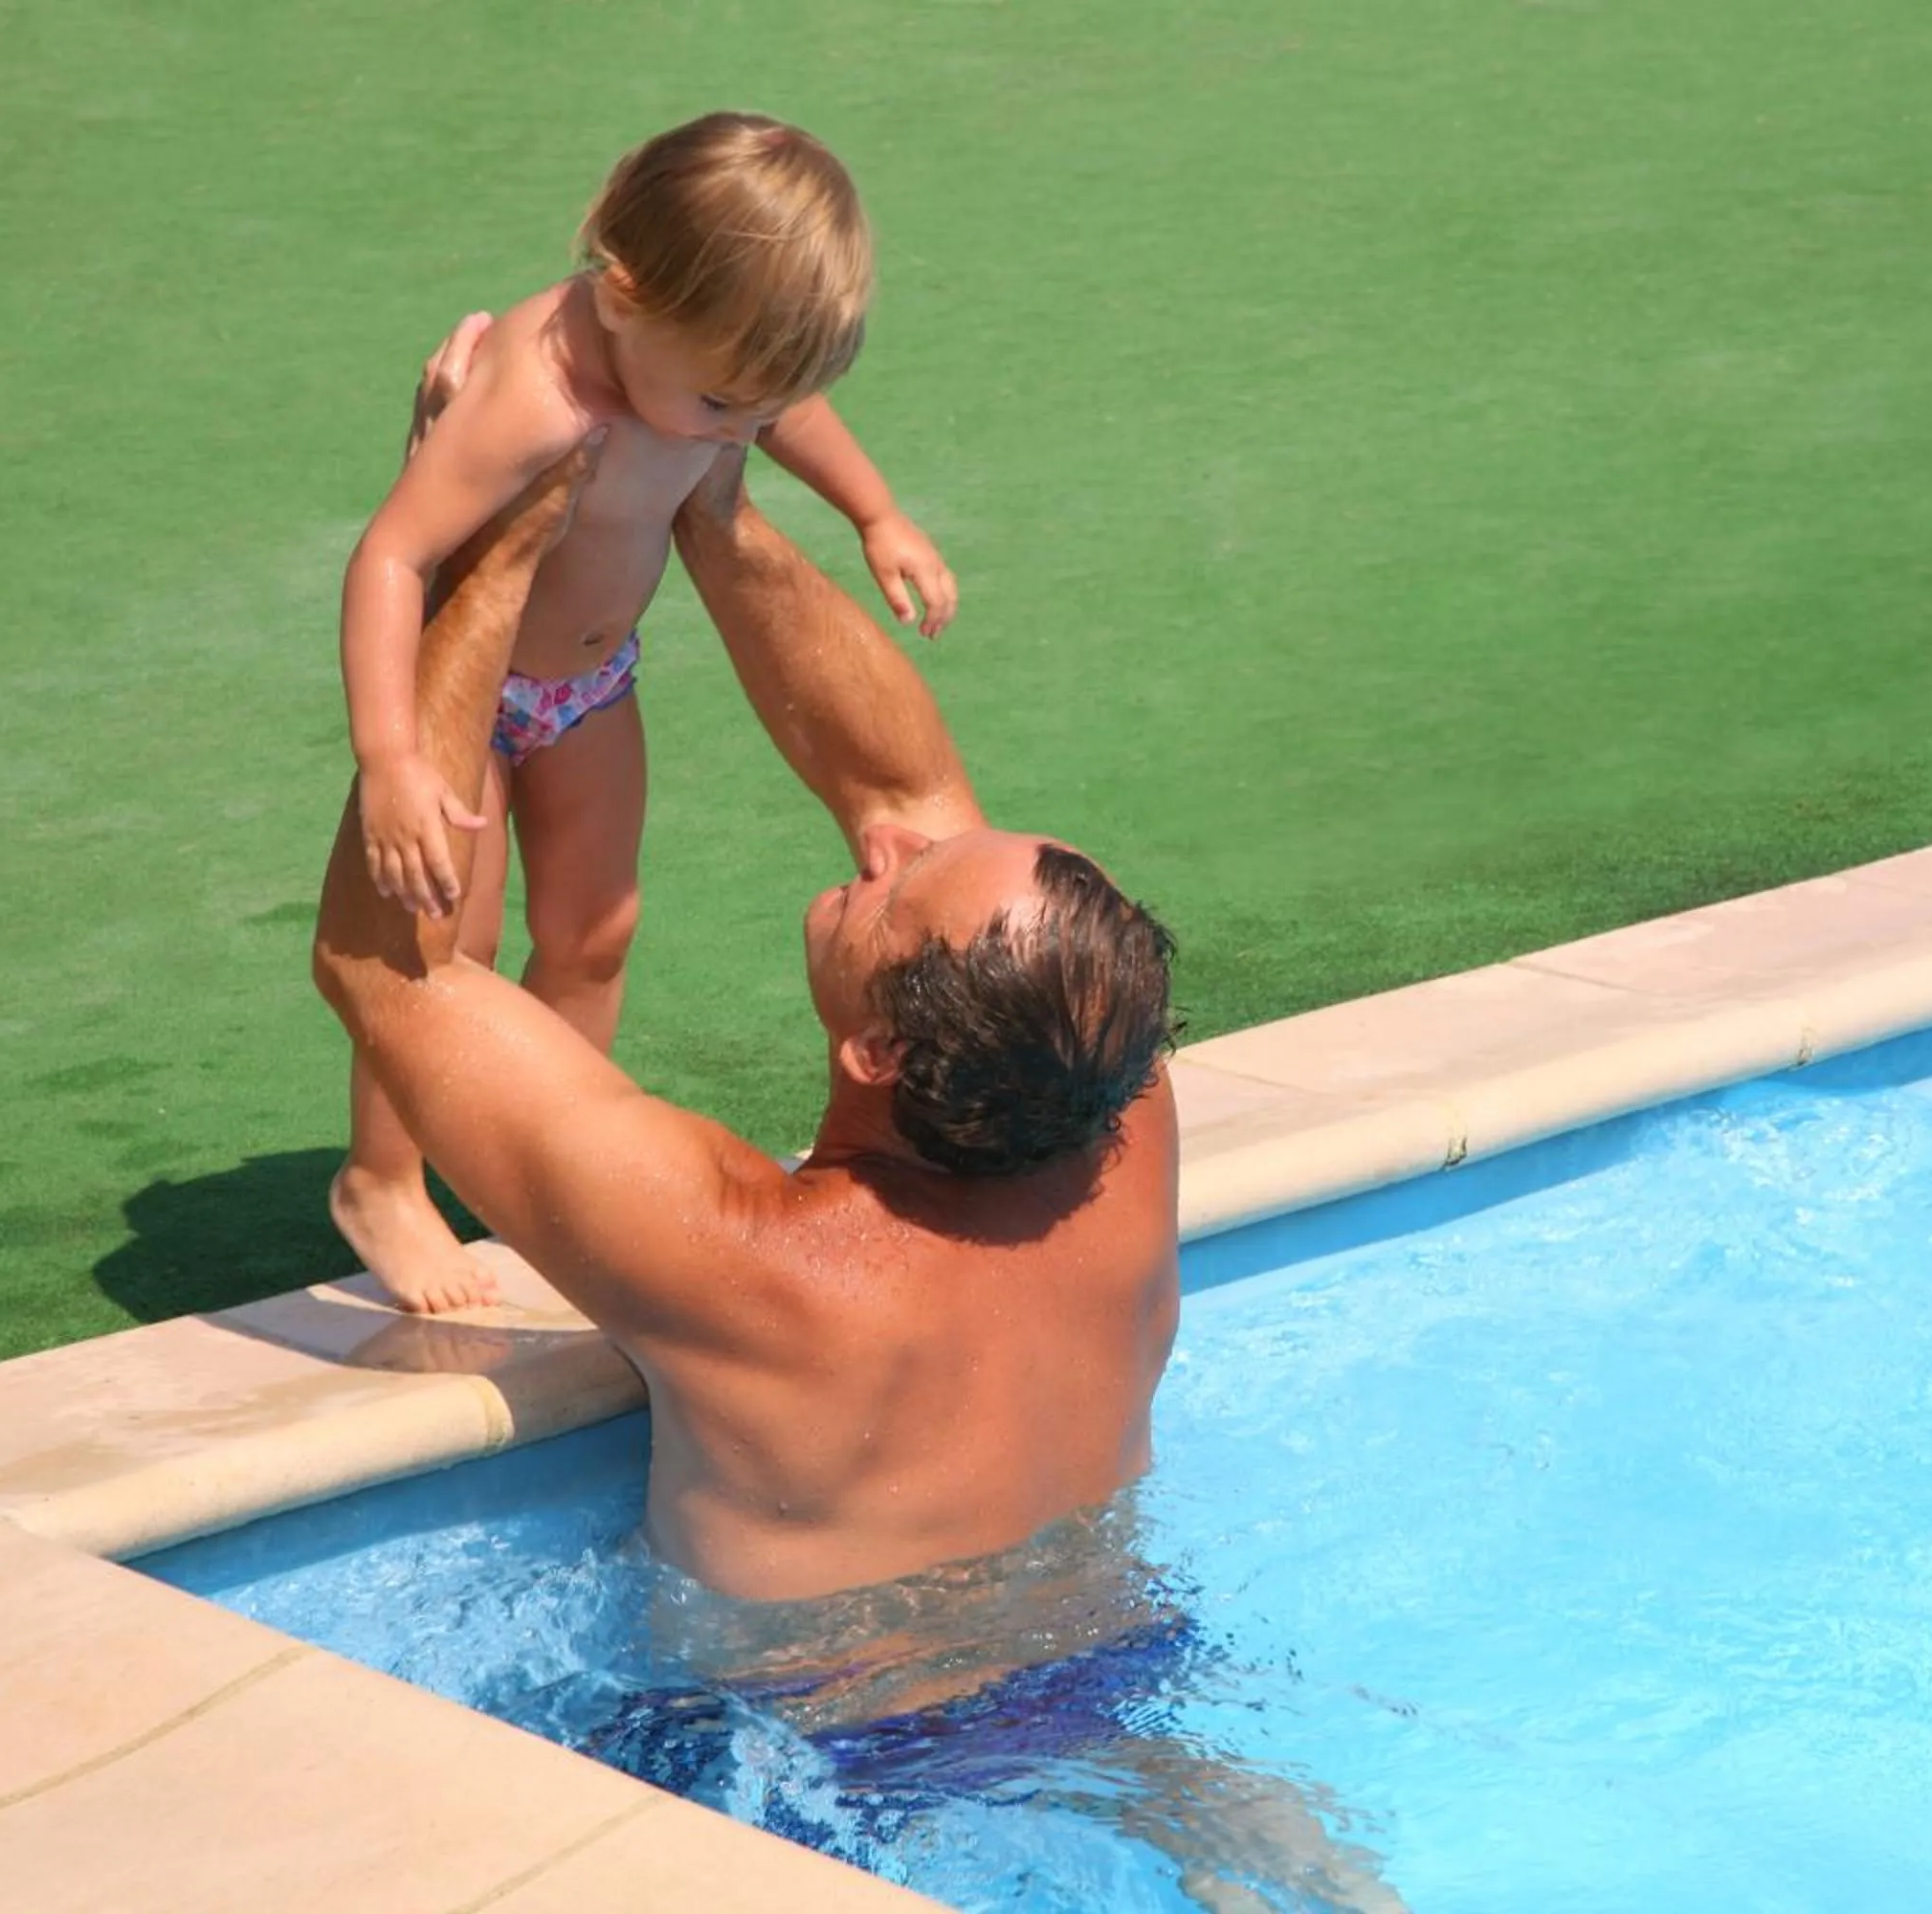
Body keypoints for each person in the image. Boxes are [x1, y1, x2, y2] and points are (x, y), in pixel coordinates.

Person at [312, 445, 1403, 1912]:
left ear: (881, 1056)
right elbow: (909, 786)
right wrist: (715, 509)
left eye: (899, 888)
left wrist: (490, 555)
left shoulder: (750, 1261)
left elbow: (394, 964)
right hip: (1118, 1684)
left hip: (803, 1762)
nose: (888, 841)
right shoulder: (1113, 1107)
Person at [332, 110, 962, 1312]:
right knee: (438, 954)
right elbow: (391, 559)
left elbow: (789, 410)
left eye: (755, 409)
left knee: (596, 928)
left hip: (591, 683)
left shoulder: (704, 365)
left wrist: (875, 512)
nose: (743, 434)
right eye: (727, 403)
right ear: (622, 297)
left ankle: (549, 1164)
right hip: (471, 696)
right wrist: (390, 757)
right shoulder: (537, 397)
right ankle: (382, 1179)